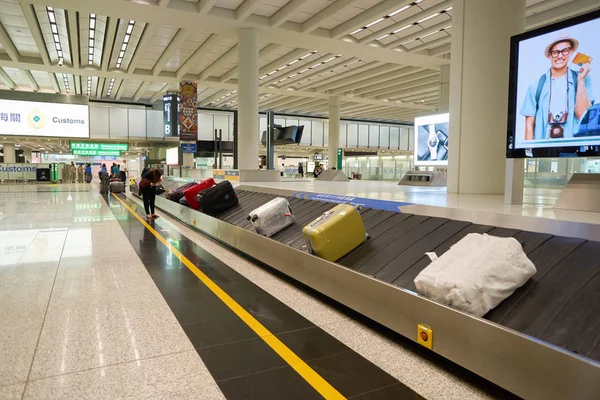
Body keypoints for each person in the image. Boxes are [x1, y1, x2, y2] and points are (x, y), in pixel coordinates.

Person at [521, 36, 593, 141]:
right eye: (555, 52)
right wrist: (527, 153)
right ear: (549, 55)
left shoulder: (582, 79)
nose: (560, 56)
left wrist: (581, 80)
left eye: (565, 51)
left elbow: (583, 117)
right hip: (543, 151)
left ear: (571, 52)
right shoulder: (536, 86)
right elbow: (529, 125)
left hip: (574, 150)